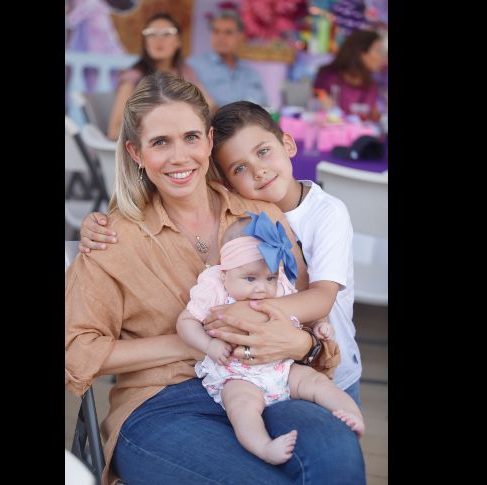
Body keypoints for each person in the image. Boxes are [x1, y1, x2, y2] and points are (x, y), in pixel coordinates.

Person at [65, 72, 365, 484]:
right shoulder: (113, 238)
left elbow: (309, 313)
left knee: (335, 453)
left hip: (271, 383)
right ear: (135, 152)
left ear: (208, 141)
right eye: (159, 142)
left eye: (190, 137)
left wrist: (301, 342)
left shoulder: (258, 214)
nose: (179, 157)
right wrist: (190, 343)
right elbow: (76, 351)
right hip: (164, 401)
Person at [178, 213, 363, 465]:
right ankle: (264, 447)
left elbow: (304, 313)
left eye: (270, 278)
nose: (261, 288)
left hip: (281, 367)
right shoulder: (214, 289)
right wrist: (208, 344)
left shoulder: (282, 287)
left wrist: (320, 326)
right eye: (250, 279)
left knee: (316, 382)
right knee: (242, 408)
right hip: (237, 375)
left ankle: (351, 414)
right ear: (225, 273)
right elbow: (185, 322)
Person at [106, 12, 215, 140]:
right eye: (151, 34)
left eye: (167, 33)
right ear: (145, 42)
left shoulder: (185, 72)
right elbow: (114, 130)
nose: (159, 39)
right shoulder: (133, 76)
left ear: (178, 41)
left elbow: (210, 107)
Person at [188, 9, 269, 107]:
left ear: (240, 37)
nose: (221, 37)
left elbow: (263, 106)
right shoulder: (192, 67)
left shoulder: (250, 73)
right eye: (216, 31)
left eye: (228, 32)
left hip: (248, 120)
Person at [313, 28, 387, 122]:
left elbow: (374, 118)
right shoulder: (329, 77)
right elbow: (316, 102)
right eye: (378, 51)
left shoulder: (372, 85)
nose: (383, 57)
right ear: (360, 52)